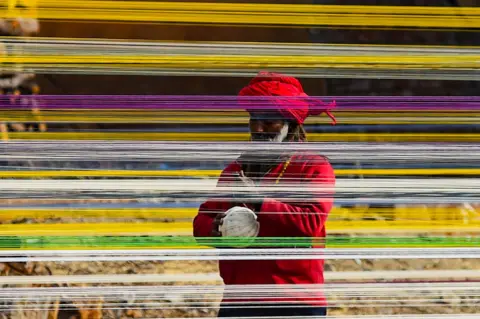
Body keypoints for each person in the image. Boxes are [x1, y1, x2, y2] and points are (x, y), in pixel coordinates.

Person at [193, 71, 337, 317]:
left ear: (291, 124)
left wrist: (258, 200)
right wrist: (216, 228)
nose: (259, 128)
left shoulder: (313, 167)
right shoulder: (236, 169)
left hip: (294, 301)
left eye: (270, 121)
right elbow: (201, 221)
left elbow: (310, 222)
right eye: (253, 119)